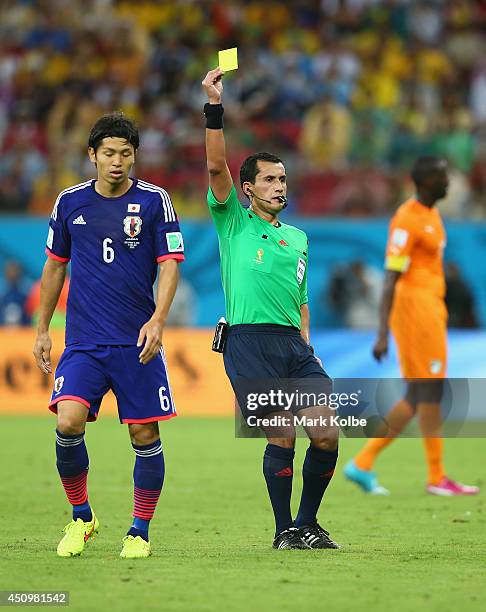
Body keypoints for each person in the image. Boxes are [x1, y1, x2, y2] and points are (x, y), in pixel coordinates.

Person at [33, 112, 184, 559]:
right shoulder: (69, 202)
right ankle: (82, 517)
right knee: (68, 421)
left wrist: (158, 319)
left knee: (143, 434)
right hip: (83, 342)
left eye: (126, 153)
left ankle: (139, 530)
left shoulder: (156, 201)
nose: (117, 162)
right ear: (92, 156)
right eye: (109, 153)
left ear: (135, 156)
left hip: (137, 343)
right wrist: (42, 328)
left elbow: (171, 262)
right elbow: (55, 265)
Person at [202, 68, 339, 550]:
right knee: (282, 435)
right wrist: (214, 109)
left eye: (283, 178)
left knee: (326, 433)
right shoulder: (232, 223)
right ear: (247, 189)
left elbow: (300, 297)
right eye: (269, 179)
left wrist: (307, 344)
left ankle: (307, 522)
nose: (280, 186)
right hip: (248, 342)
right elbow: (217, 168)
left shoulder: (299, 238)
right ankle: (283, 531)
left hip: (292, 346)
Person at [344, 157, 479, 496]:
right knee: (426, 391)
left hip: (431, 309)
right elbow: (391, 276)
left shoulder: (432, 214)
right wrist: (381, 332)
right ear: (425, 181)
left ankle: (366, 464)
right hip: (415, 311)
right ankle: (430, 475)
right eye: (442, 176)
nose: (448, 181)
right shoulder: (407, 219)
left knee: (423, 393)